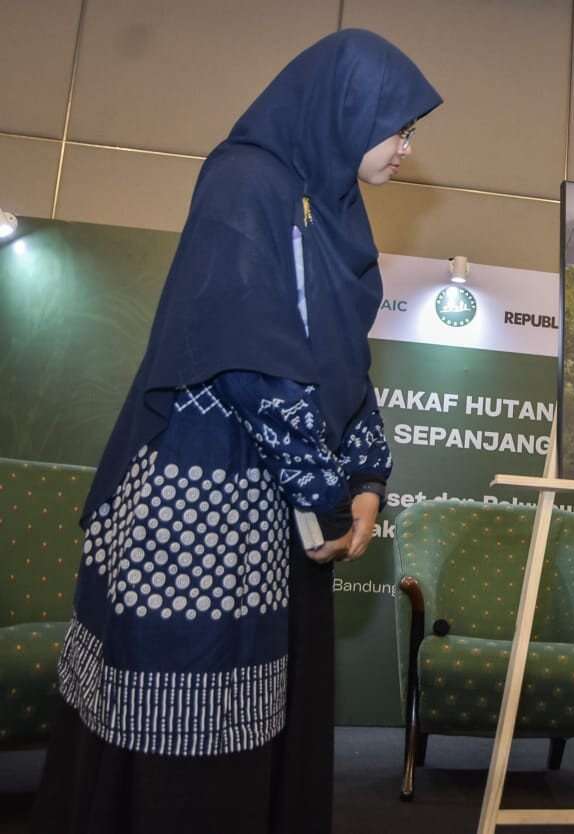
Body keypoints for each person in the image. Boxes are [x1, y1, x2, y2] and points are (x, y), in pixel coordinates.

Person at [31, 30, 442, 834]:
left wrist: (367, 480)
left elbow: (342, 366)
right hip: (204, 486)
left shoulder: (335, 211)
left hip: (283, 505)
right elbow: (252, 354)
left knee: (264, 722)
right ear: (347, 107)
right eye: (400, 125)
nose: (406, 148)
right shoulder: (245, 179)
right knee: (186, 718)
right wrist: (329, 498)